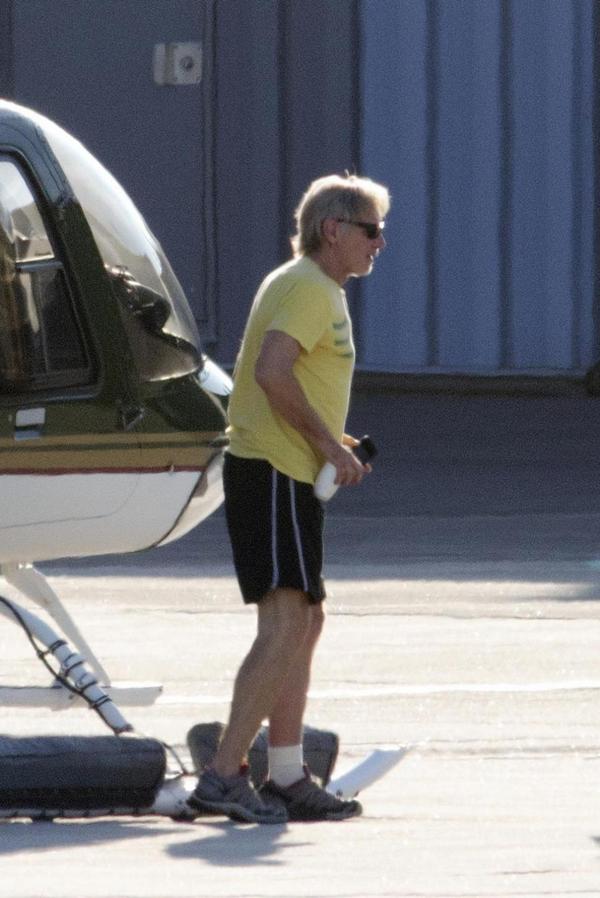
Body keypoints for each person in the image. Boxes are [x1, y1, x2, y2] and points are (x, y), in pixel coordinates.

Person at [188, 172, 390, 823]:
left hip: (286, 472)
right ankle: (224, 775)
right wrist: (329, 445)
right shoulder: (307, 287)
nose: (379, 243)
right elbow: (272, 373)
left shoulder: (311, 287)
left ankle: (284, 774)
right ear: (333, 229)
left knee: (305, 620)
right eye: (371, 230)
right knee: (284, 625)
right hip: (273, 471)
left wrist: (333, 440)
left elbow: (287, 379)